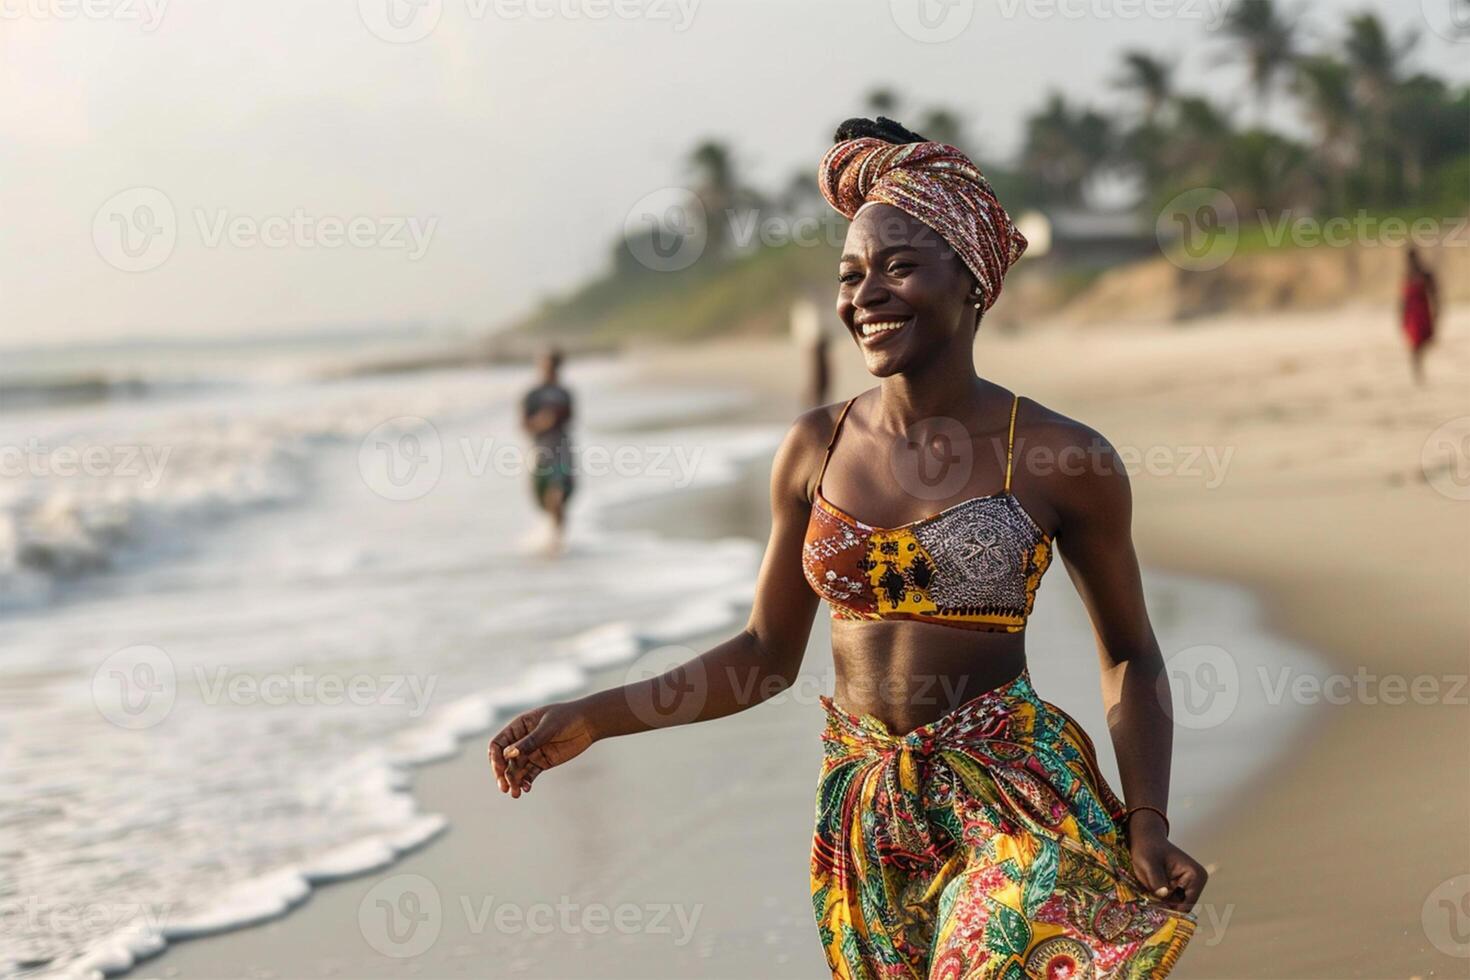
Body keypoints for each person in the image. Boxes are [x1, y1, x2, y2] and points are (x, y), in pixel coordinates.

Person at [490, 116, 1205, 977]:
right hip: (863, 812)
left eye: (900, 266)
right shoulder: (813, 449)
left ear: (973, 281)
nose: (866, 294)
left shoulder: (1059, 455)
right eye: (852, 273)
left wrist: (1147, 819)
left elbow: (1130, 651)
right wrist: (593, 718)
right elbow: (763, 656)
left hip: (1012, 795)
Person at [521, 347, 574, 554]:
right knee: (542, 500)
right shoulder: (532, 395)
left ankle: (557, 540)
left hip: (562, 451)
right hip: (539, 453)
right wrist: (541, 423)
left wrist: (555, 419)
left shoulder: (565, 394)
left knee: (557, 496)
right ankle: (551, 534)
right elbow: (524, 425)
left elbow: (570, 419)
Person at [1400, 247, 1439, 386]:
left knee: (1422, 343)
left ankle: (1419, 370)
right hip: (1413, 315)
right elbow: (1403, 300)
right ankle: (1418, 372)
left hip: (1422, 313)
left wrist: (1436, 313)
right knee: (1415, 345)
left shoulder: (1424, 274)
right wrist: (1402, 318)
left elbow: (1435, 294)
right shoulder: (1407, 275)